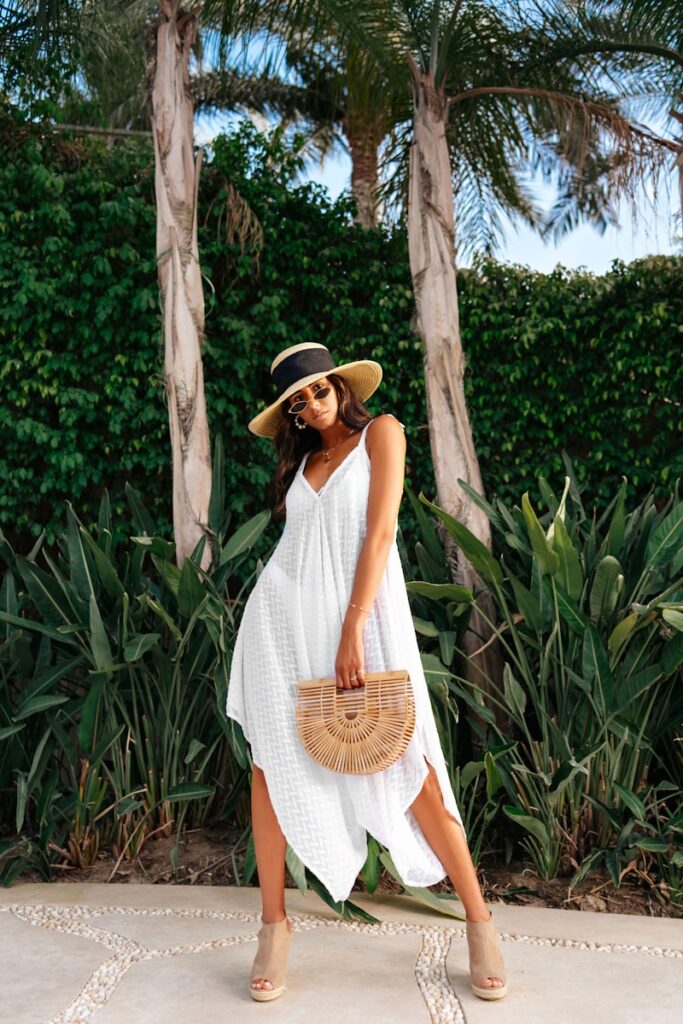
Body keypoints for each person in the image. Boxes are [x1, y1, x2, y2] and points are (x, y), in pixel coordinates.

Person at [225, 341, 508, 1003]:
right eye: (297, 403)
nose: (311, 406)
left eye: (318, 391)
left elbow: (379, 533)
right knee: (268, 767)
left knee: (411, 767)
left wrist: (352, 625)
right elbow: (296, 549)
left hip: (361, 622)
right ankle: (273, 926)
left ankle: (479, 920)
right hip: (280, 628)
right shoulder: (306, 462)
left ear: (340, 387)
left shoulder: (383, 433)